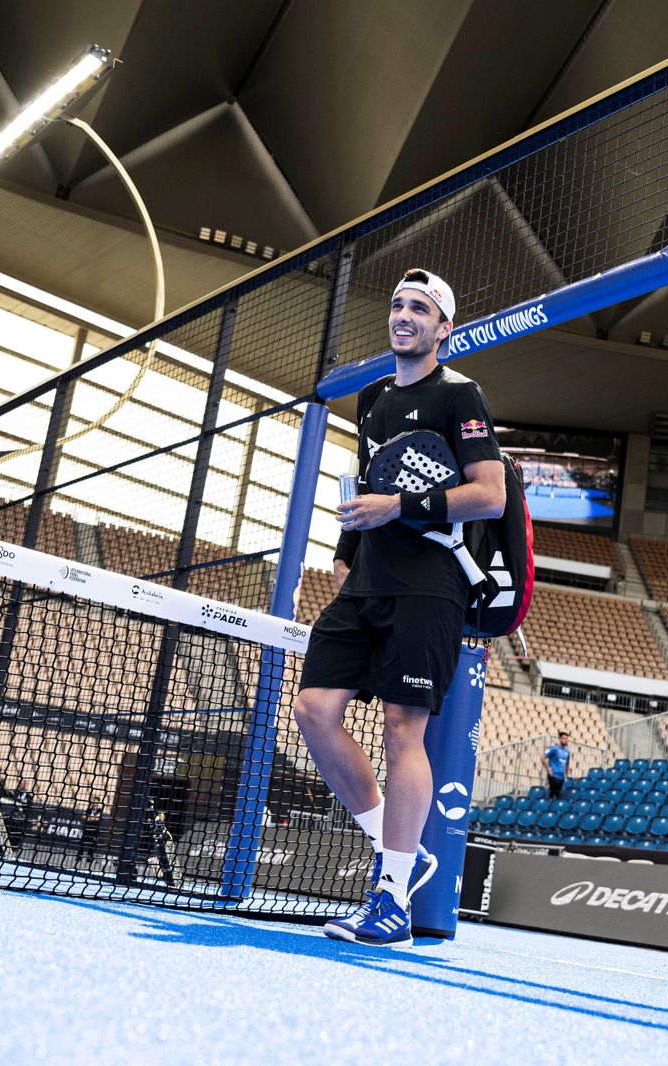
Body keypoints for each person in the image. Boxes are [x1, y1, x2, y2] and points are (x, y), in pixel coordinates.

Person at [293, 267, 505, 946]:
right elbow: (370, 478)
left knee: (399, 728)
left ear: (443, 328)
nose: (403, 315)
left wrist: (399, 508)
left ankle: (390, 898)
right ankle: (402, 851)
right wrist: (343, 549)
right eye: (397, 305)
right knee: (313, 711)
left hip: (430, 587)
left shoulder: (460, 395)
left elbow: (491, 494)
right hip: (366, 580)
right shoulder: (375, 398)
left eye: (419, 308)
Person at [541, 731, 571, 799]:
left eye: (567, 739)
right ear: (560, 739)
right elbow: (542, 758)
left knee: (556, 795)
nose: (565, 740)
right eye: (564, 738)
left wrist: (566, 774)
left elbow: (567, 763)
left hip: (561, 777)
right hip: (553, 775)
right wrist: (548, 769)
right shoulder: (554, 748)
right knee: (555, 795)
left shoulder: (567, 751)